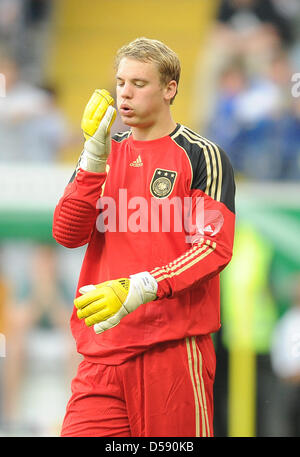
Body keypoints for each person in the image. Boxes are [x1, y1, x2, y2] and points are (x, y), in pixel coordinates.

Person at [53, 37, 236, 437]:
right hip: (101, 354)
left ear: (170, 88)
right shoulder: (103, 154)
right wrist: (91, 157)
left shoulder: (202, 155)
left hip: (171, 351)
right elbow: (67, 233)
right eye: (120, 82)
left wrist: (140, 287)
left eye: (139, 83)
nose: (125, 93)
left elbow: (212, 248)